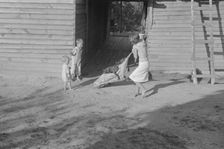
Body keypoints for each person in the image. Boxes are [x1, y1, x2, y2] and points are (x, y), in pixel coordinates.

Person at [129, 33, 149, 98]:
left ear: (135, 40)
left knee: (132, 77)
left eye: (132, 41)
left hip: (143, 64)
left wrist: (135, 58)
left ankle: (143, 89)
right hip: (144, 63)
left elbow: (135, 55)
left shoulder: (137, 46)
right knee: (137, 78)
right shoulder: (142, 42)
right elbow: (141, 38)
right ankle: (137, 92)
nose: (131, 42)